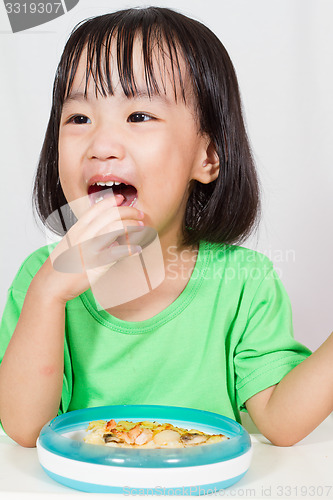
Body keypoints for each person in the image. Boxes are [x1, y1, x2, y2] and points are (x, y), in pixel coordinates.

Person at [0, 7, 331, 449]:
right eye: (78, 118)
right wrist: (49, 294)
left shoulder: (244, 284)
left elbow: (282, 421)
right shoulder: (41, 279)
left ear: (207, 158)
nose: (101, 145)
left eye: (139, 116)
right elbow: (23, 427)